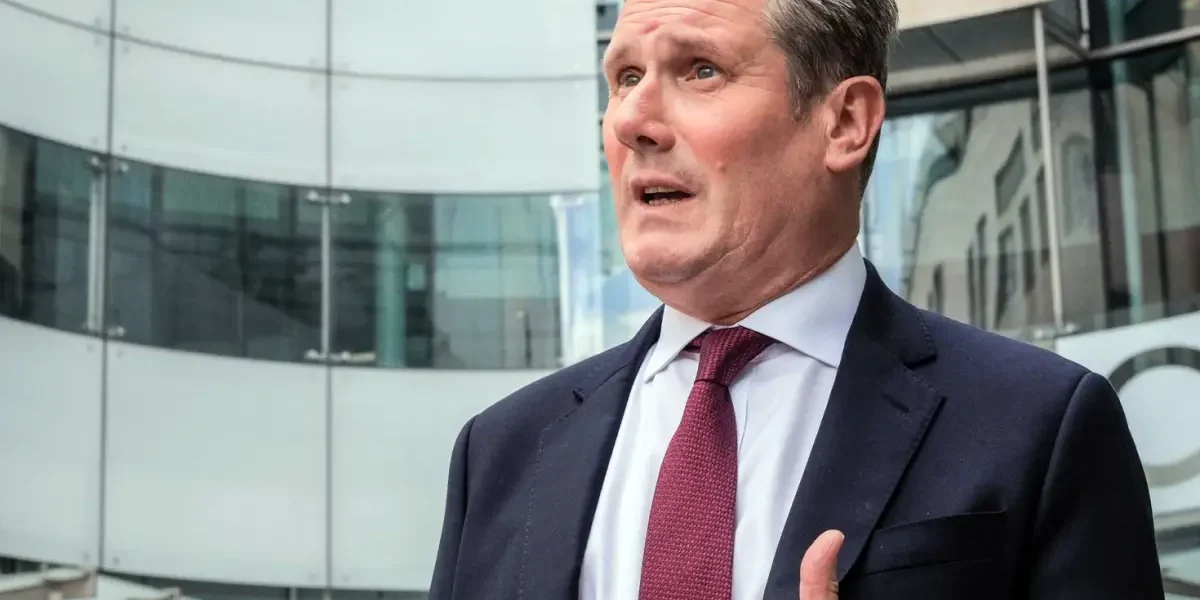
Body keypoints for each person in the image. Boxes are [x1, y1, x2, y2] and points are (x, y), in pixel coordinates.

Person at [428, 0, 1163, 597]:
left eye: (700, 70)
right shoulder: (499, 454)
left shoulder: (1040, 427)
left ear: (845, 122)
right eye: (624, 78)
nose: (630, 121)